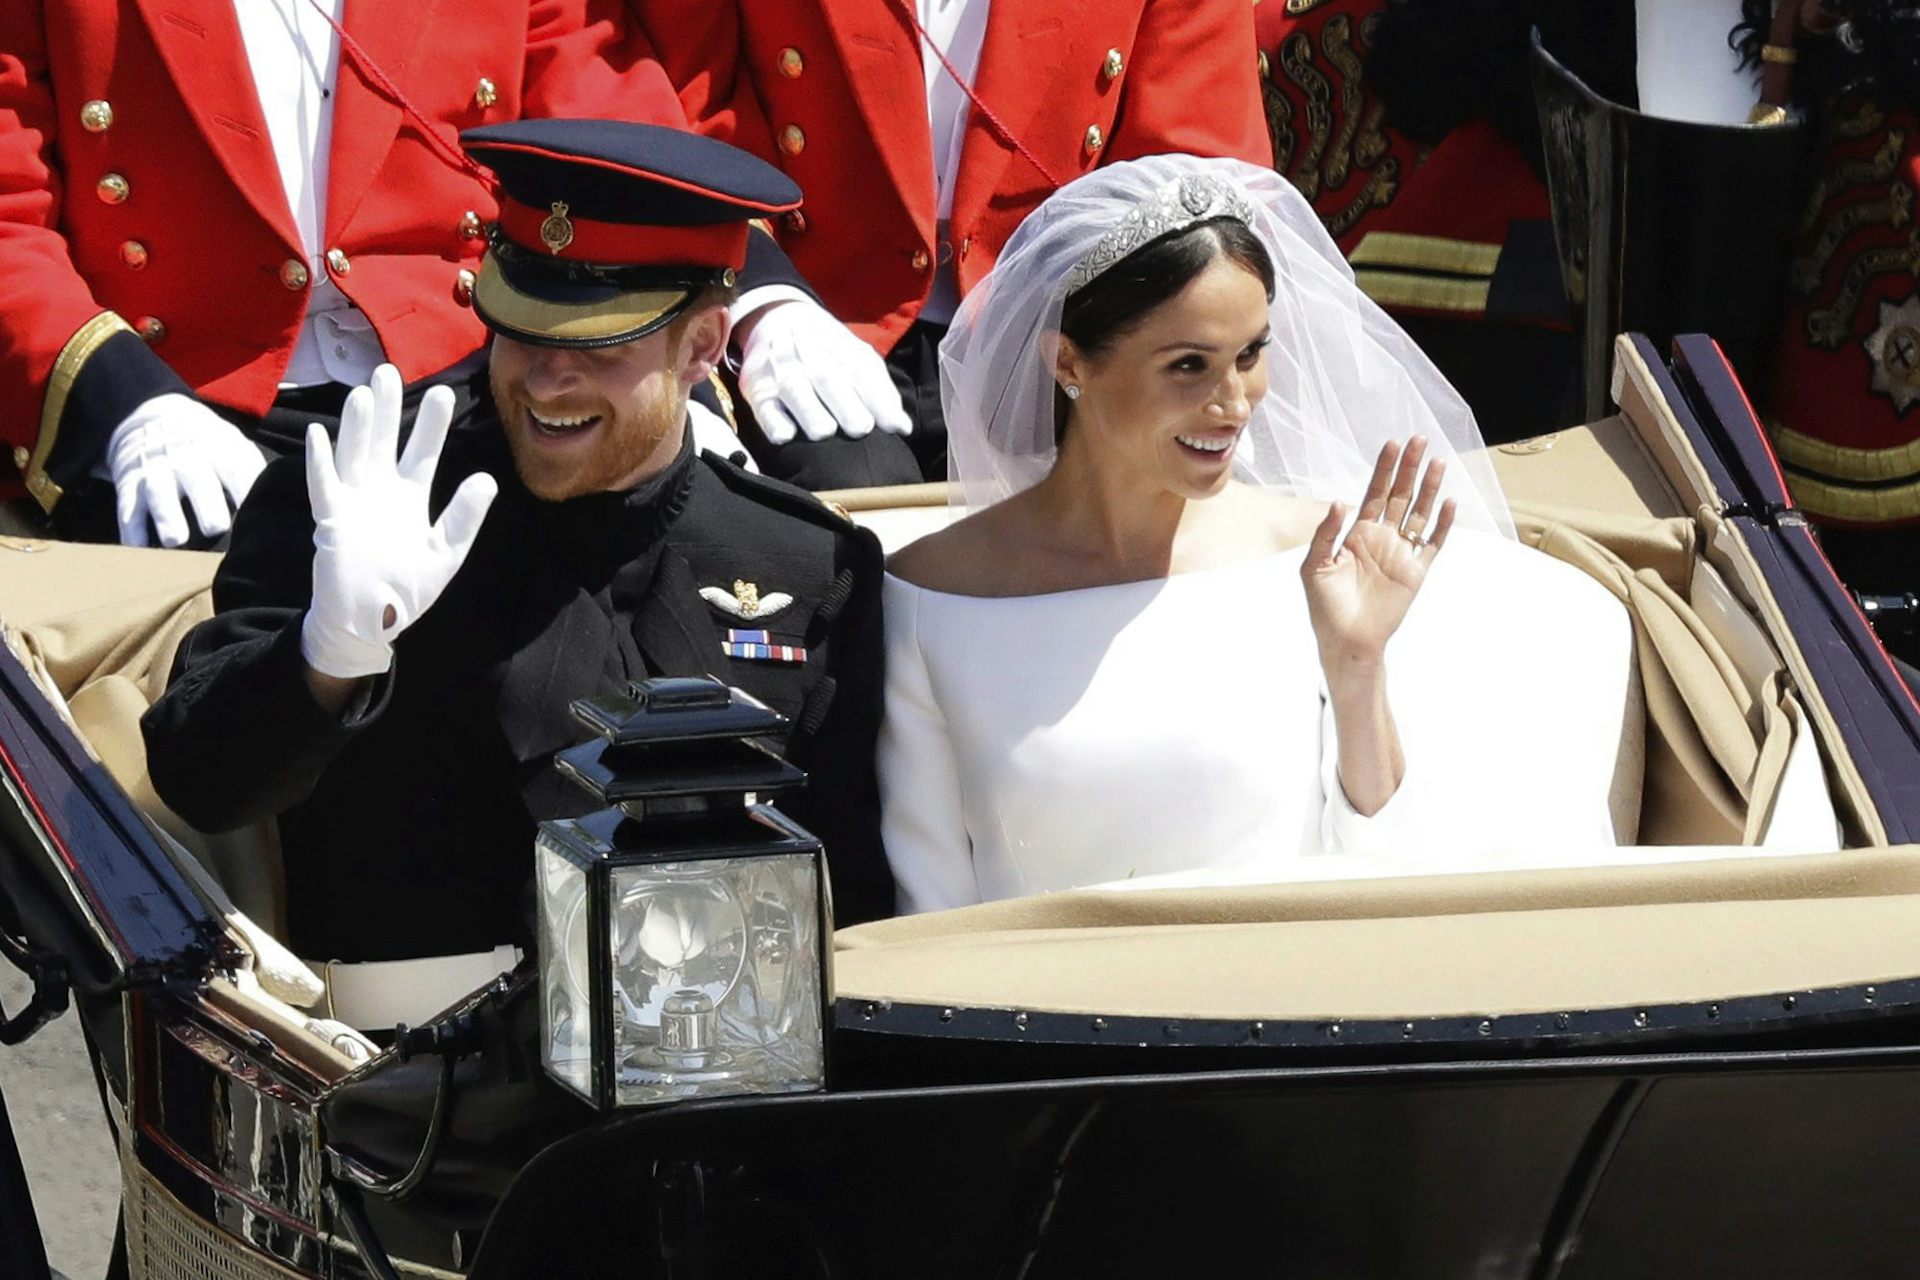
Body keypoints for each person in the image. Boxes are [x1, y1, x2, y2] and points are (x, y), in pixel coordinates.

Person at [140, 120, 890, 1027]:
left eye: (600, 349)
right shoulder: (365, 500)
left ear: (701, 348)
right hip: (414, 1097)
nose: (546, 382)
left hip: (708, 1098)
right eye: (522, 332)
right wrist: (326, 656)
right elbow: (199, 780)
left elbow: (847, 903)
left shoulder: (802, 564)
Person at [879, 154, 1637, 913]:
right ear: (1070, 361)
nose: (1235, 403)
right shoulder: (928, 600)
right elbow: (926, 909)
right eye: (1188, 366)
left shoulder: (1327, 559)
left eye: (1250, 355)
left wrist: (1358, 663)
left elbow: (1399, 875)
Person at [0, 0, 885, 548]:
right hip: (193, 405)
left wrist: (743, 308)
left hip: (467, 379)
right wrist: (122, 403)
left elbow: (602, 113)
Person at [629, 0, 1272, 489]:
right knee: (843, 522)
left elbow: (1191, 156)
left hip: (1062, 321)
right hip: (814, 304)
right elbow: (684, 90)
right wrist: (762, 297)